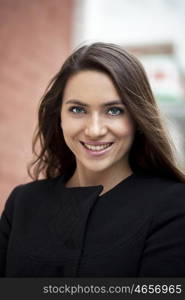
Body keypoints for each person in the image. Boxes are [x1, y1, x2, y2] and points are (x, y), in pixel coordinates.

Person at [0, 42, 185, 277]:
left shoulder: (173, 206)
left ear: (137, 119)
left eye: (114, 110)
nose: (94, 130)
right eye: (78, 110)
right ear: (59, 117)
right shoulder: (23, 203)